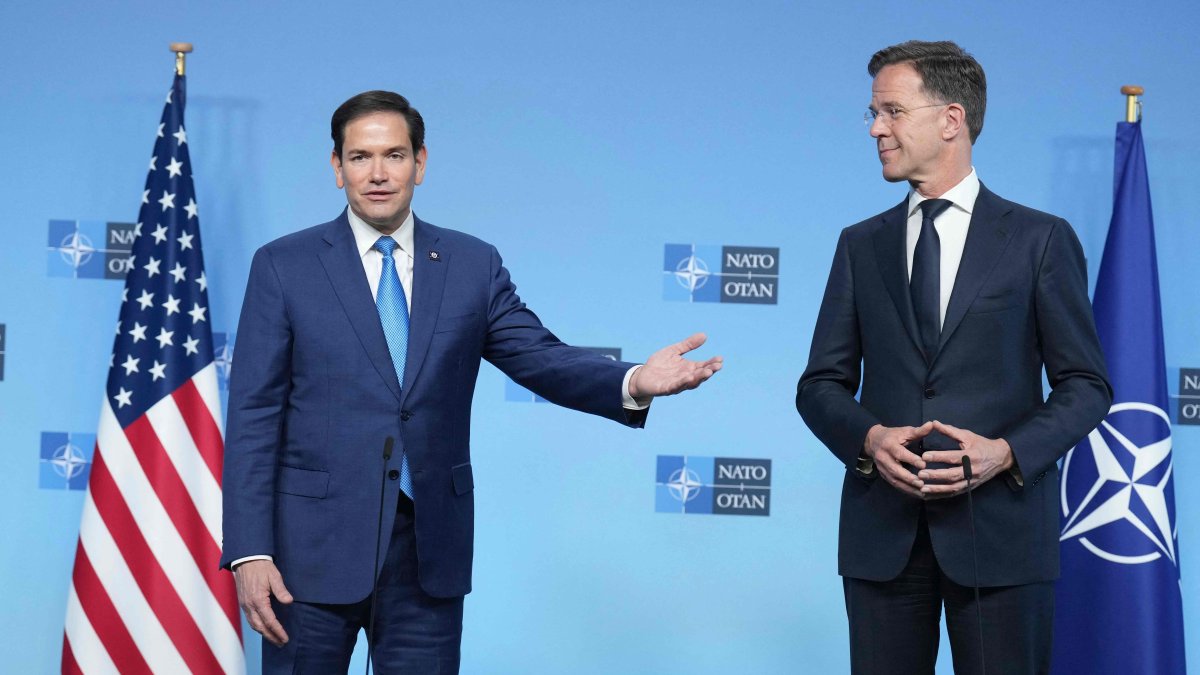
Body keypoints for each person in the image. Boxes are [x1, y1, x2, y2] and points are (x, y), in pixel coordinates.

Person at [220, 90, 723, 673]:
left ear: (421, 163)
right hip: (308, 557)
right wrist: (250, 551)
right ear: (336, 168)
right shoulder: (285, 265)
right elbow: (254, 415)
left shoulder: (471, 264)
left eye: (395, 155)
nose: (378, 174)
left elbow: (538, 357)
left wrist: (634, 379)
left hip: (428, 551)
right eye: (360, 158)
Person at [796, 41, 1111, 674]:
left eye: (890, 110)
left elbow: (1086, 385)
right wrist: (870, 438)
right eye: (872, 114)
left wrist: (1008, 453)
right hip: (882, 538)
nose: (877, 129)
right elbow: (821, 385)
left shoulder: (1038, 239)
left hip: (1002, 537)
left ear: (950, 119)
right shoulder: (860, 245)